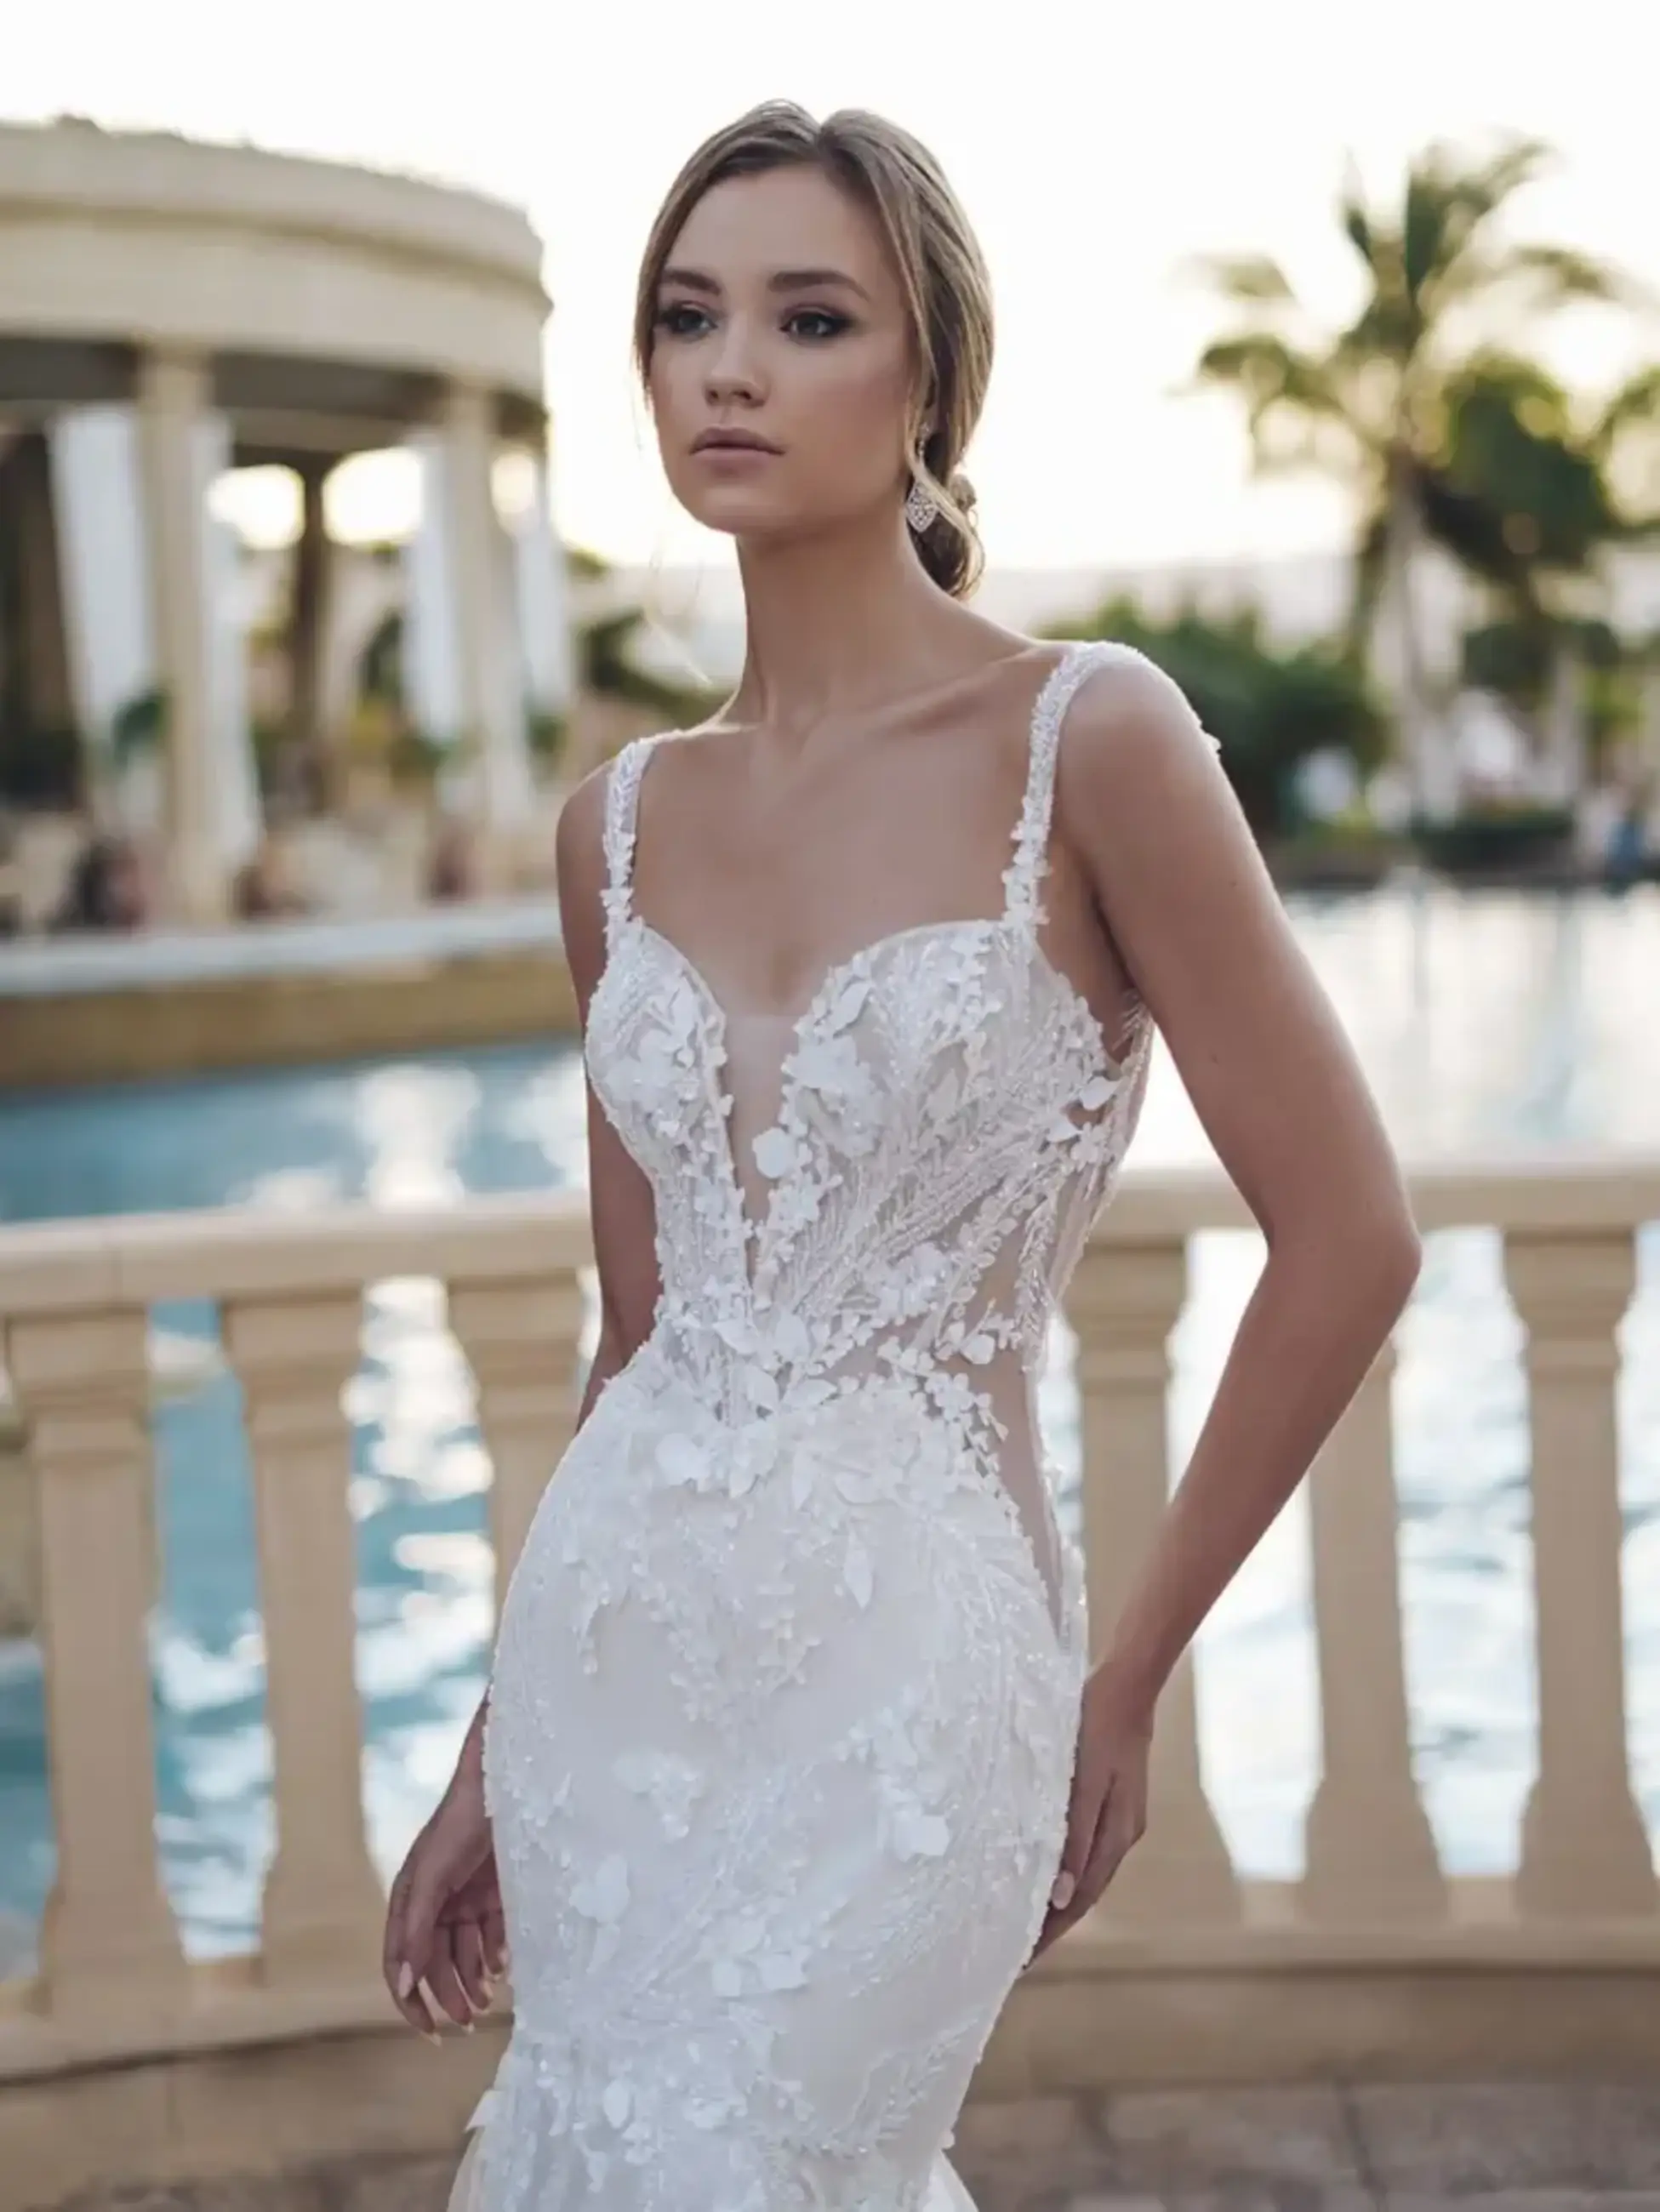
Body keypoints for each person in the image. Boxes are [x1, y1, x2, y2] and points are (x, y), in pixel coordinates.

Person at [384, 101, 1421, 2212]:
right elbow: (641, 1330)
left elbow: (1352, 1239)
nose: (730, 367)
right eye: (688, 318)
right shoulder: (618, 824)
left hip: (908, 1681)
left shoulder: (1092, 738)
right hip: (617, 1651)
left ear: (931, 376)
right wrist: (497, 1744)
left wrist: (1120, 1680)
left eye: (807, 315)